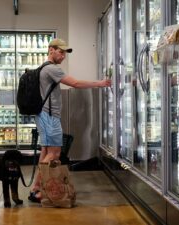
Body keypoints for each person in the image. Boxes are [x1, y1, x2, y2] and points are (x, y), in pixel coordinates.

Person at [28, 38, 111, 202]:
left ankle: (36, 189)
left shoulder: (43, 69)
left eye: (65, 52)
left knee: (46, 152)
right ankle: (39, 190)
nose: (63, 55)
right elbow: (75, 83)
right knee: (55, 153)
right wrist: (100, 83)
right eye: (61, 51)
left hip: (43, 116)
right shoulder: (51, 69)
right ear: (51, 49)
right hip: (50, 117)